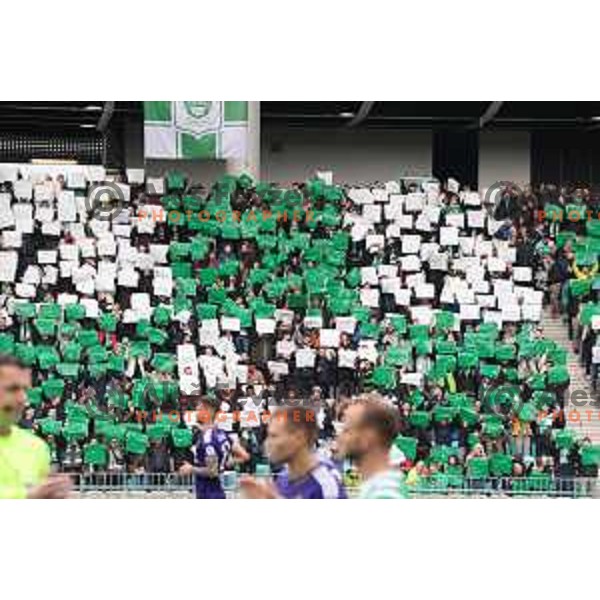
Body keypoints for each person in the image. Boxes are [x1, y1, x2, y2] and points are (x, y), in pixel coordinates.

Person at [0, 355, 71, 499]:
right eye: (12, 389)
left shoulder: (37, 447)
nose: (23, 399)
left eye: (25, 389)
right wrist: (29, 496)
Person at [240, 406, 347, 499]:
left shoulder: (325, 483)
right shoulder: (283, 478)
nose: (267, 443)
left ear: (299, 438)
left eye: (274, 436)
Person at [337, 394, 407, 499]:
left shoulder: (384, 494)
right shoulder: (378, 487)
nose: (340, 437)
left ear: (368, 437)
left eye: (347, 430)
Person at [178, 396, 249, 499]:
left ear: (208, 411)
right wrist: (223, 463)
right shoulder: (223, 434)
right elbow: (244, 456)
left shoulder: (208, 438)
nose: (196, 413)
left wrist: (191, 469)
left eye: (199, 409)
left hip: (209, 494)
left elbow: (212, 472)